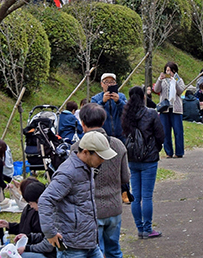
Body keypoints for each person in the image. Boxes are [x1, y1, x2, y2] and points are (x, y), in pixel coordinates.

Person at [39, 132, 118, 258]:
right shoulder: (67, 173)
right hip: (72, 247)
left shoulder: (88, 167)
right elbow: (45, 200)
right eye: (100, 156)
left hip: (90, 242)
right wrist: (50, 233)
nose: (103, 160)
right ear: (86, 152)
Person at [72, 103, 131, 258]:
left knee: (96, 252)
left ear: (82, 123)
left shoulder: (76, 148)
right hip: (114, 207)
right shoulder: (118, 145)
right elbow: (125, 177)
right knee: (114, 250)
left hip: (91, 210)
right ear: (103, 122)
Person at [121, 85, 165, 239]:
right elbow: (160, 135)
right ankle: (147, 228)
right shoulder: (151, 113)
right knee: (147, 196)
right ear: (144, 97)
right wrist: (156, 148)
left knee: (136, 196)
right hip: (149, 159)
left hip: (132, 158)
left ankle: (139, 228)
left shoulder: (127, 115)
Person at [6, 180, 55, 256]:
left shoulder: (49, 214)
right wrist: (28, 237)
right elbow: (43, 236)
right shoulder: (35, 210)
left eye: (31, 204)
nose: (31, 206)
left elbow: (48, 245)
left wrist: (27, 248)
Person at [152, 61, 186, 158]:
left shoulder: (179, 80)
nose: (169, 72)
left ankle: (179, 152)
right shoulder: (163, 81)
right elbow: (157, 90)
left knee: (178, 131)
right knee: (165, 131)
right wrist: (159, 79)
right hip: (164, 109)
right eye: (167, 70)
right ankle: (168, 152)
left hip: (176, 108)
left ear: (174, 71)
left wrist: (174, 81)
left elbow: (180, 91)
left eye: (170, 70)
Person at [91, 73, 126, 140]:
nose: (109, 84)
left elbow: (127, 112)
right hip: (102, 137)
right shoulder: (95, 98)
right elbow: (92, 115)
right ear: (101, 84)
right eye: (106, 82)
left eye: (112, 82)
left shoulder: (121, 97)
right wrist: (102, 102)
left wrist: (118, 101)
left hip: (121, 136)